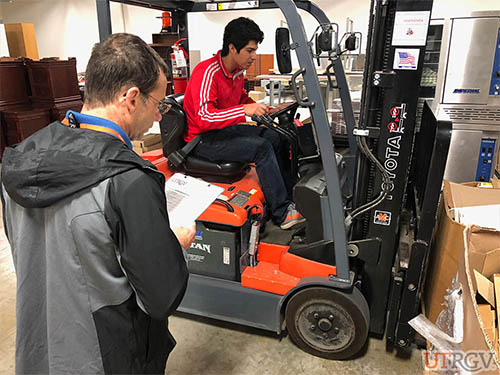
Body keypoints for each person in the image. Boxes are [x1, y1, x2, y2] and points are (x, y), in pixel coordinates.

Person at [0, 33, 195, 374]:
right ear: (131, 97)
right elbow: (160, 296)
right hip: (108, 355)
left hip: (42, 349)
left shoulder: (19, 160)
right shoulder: (130, 180)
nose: (160, 117)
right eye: (158, 104)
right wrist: (174, 244)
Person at [183, 17, 305, 230]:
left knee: (276, 136)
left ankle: (288, 195)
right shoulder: (208, 72)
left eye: (255, 50)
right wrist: (244, 110)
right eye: (249, 50)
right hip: (202, 141)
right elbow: (204, 118)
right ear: (232, 48)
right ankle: (282, 213)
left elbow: (241, 101)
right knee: (262, 148)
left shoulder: (235, 73)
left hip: (222, 131)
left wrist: (263, 109)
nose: (253, 56)